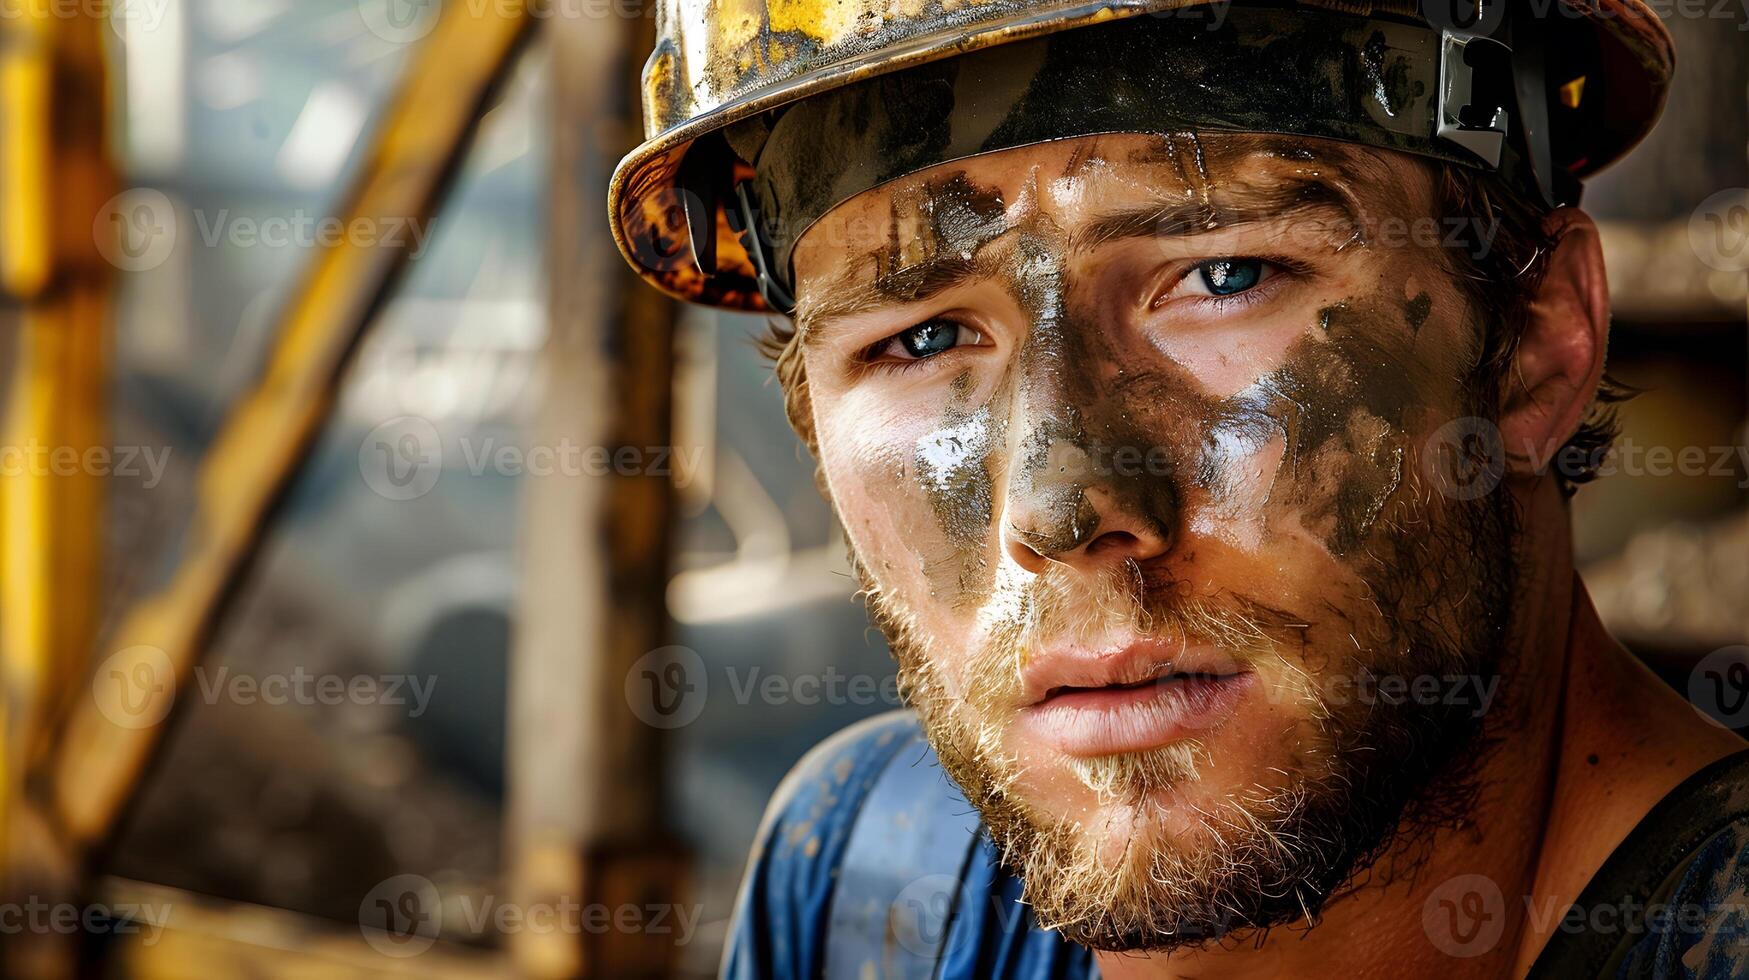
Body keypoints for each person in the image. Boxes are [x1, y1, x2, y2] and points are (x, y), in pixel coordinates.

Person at [609, 0, 1749, 975]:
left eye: (1223, 274)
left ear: (1537, 339)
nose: (1060, 510)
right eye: (922, 337)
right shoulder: (867, 891)